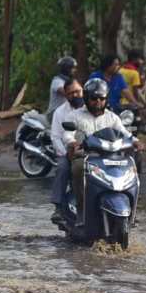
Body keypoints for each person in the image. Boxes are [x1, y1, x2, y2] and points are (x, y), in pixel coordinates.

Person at [68, 78, 142, 222]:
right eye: (94, 98)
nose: (98, 102)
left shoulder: (112, 117)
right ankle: (81, 208)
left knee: (131, 166)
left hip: (110, 157)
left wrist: (136, 141)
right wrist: (73, 142)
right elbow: (67, 135)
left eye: (102, 98)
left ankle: (132, 209)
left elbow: (125, 133)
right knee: (77, 168)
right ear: (86, 98)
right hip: (85, 156)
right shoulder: (76, 116)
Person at [49, 78, 85, 223]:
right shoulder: (60, 112)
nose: (75, 95)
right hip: (67, 152)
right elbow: (56, 137)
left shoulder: (92, 108)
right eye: (71, 93)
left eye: (78, 91)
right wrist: (66, 153)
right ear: (66, 95)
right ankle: (58, 207)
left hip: (92, 151)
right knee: (63, 167)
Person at [47, 56, 77, 122]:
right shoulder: (57, 81)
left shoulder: (70, 81)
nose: (75, 70)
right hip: (54, 112)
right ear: (66, 69)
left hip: (66, 112)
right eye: (72, 68)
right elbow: (65, 92)